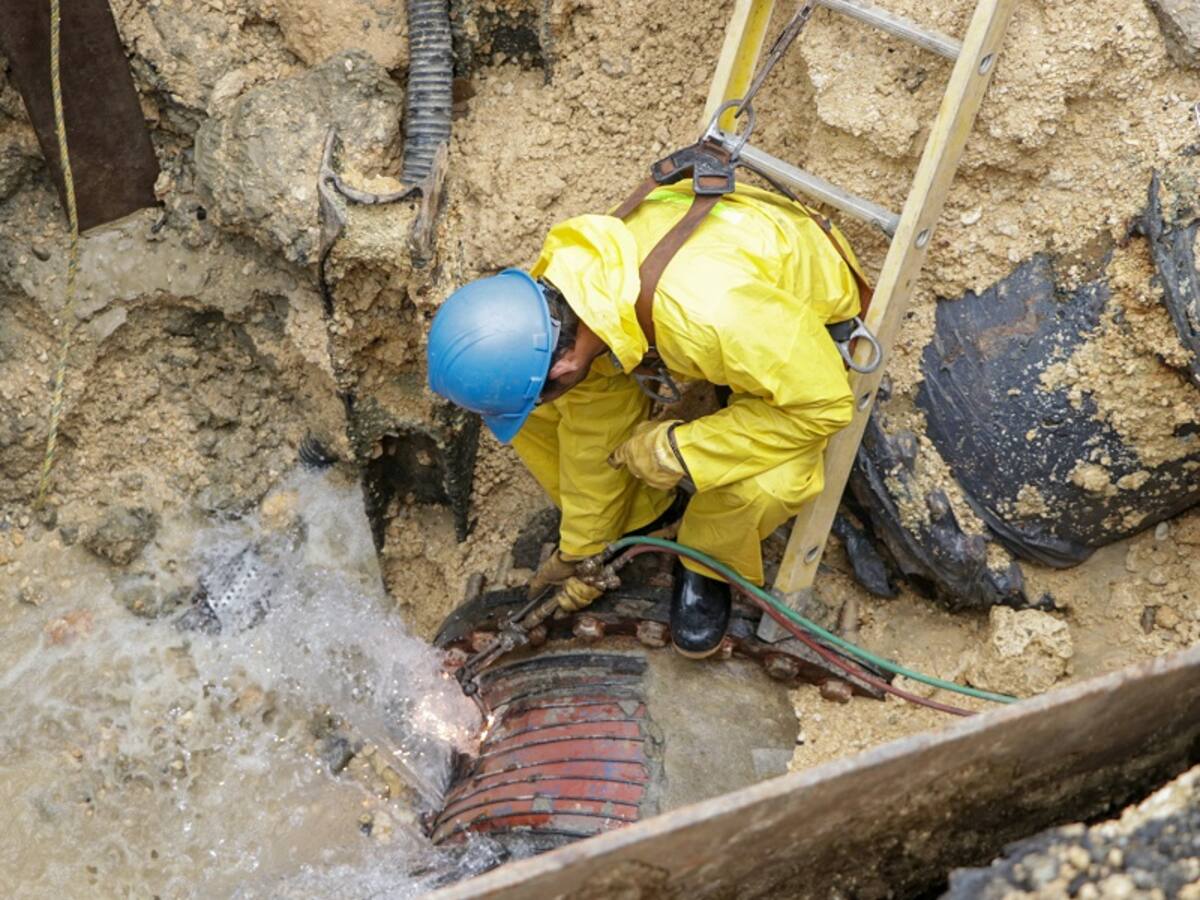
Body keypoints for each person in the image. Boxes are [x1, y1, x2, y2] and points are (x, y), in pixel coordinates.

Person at [427, 181, 864, 658]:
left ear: (563, 367)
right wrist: (582, 550)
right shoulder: (564, 301)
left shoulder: (711, 315)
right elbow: (593, 433)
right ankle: (647, 517)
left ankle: (707, 560)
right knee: (544, 414)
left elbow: (823, 405)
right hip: (724, 302)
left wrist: (680, 448)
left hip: (791, 324)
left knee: (762, 484)